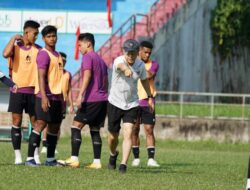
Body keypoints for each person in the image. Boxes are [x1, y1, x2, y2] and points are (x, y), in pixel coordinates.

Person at [60, 33, 108, 169]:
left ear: (88, 44)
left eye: (80, 45)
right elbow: (106, 81)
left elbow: (87, 75)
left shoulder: (88, 57)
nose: (79, 48)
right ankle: (97, 162)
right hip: (103, 99)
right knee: (94, 129)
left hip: (91, 99)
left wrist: (80, 95)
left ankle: (74, 159)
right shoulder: (101, 60)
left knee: (76, 126)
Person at [107, 39, 154, 173]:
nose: (130, 56)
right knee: (112, 137)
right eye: (128, 53)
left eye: (133, 53)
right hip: (115, 103)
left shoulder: (140, 65)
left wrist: (150, 97)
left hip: (132, 104)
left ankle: (123, 164)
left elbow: (144, 80)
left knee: (128, 133)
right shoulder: (118, 61)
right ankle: (112, 154)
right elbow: (121, 66)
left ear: (137, 53)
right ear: (124, 52)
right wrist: (127, 69)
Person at [2, 20, 41, 165]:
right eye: (34, 34)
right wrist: (13, 38)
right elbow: (5, 54)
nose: (36, 36)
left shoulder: (39, 50)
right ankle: (18, 157)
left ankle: (35, 155)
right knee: (16, 121)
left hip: (34, 91)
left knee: (36, 123)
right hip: (17, 91)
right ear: (26, 33)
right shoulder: (15, 47)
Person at [25, 25, 64, 166]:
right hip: (45, 96)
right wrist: (44, 96)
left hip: (57, 97)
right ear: (43, 38)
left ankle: (50, 159)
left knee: (54, 127)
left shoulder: (58, 55)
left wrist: (62, 99)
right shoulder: (43, 54)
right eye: (49, 36)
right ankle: (30, 158)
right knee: (40, 124)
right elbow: (41, 77)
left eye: (54, 36)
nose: (52, 38)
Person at [131, 41, 160, 167]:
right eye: (145, 52)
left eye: (149, 53)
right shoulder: (132, 63)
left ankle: (151, 159)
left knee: (149, 129)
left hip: (148, 101)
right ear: (139, 51)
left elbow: (148, 75)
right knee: (135, 129)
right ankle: (136, 158)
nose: (148, 55)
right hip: (134, 101)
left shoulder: (154, 65)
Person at [40, 52, 74, 154]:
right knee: (46, 124)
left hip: (61, 104)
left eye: (64, 61)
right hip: (51, 101)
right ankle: (45, 146)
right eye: (61, 60)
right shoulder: (51, 71)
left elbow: (69, 90)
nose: (63, 62)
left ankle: (54, 146)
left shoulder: (67, 74)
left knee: (57, 126)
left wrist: (71, 104)